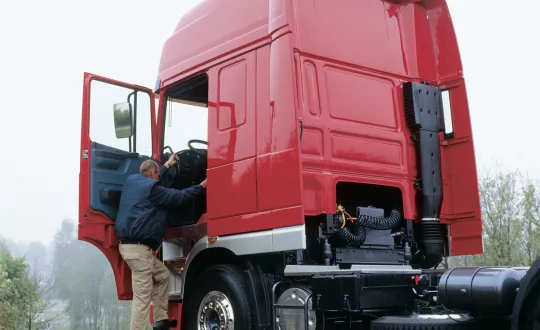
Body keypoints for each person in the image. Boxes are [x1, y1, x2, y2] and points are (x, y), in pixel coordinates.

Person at [115, 154, 207, 330]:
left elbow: (154, 179)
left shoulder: (132, 181)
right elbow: (178, 196)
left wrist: (167, 164)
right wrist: (201, 186)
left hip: (131, 248)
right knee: (142, 296)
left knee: (162, 275)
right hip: (139, 250)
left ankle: (160, 320)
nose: (159, 178)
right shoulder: (154, 190)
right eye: (157, 175)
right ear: (151, 173)